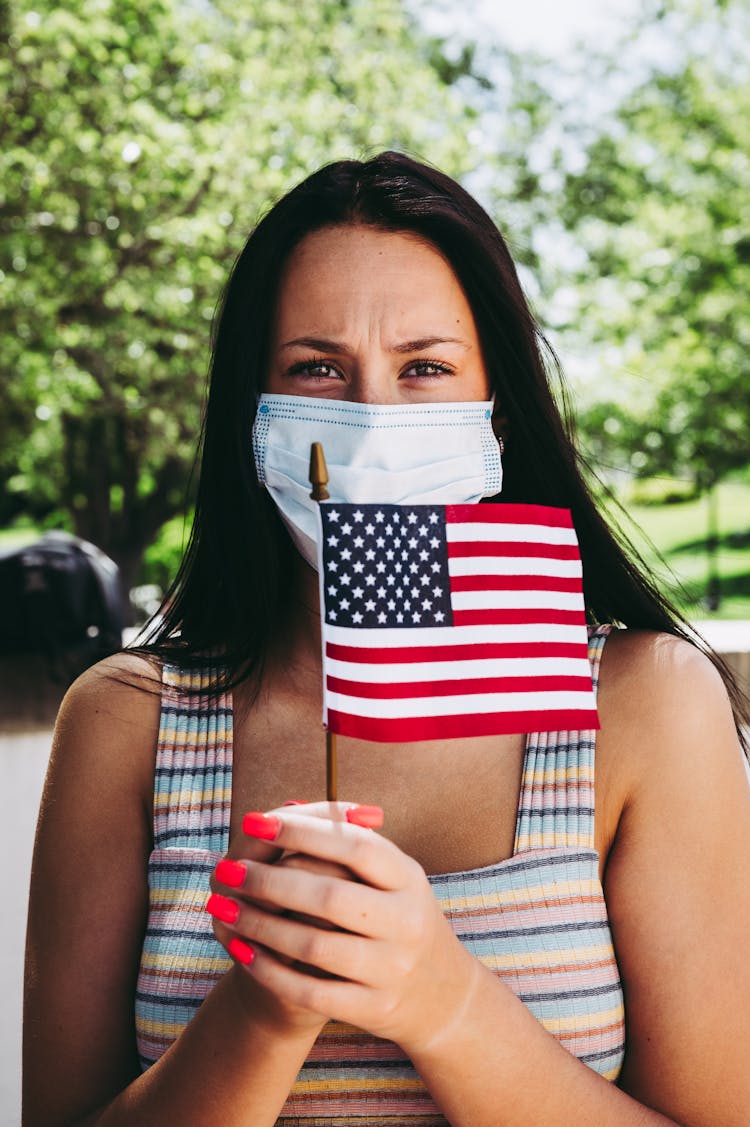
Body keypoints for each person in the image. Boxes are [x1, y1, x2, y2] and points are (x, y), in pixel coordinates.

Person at [23, 151, 750, 1127]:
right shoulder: (124, 721)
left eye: (425, 368)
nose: (369, 422)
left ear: (495, 409)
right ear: (251, 409)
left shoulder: (649, 703)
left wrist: (442, 999)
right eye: (317, 367)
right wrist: (263, 1010)